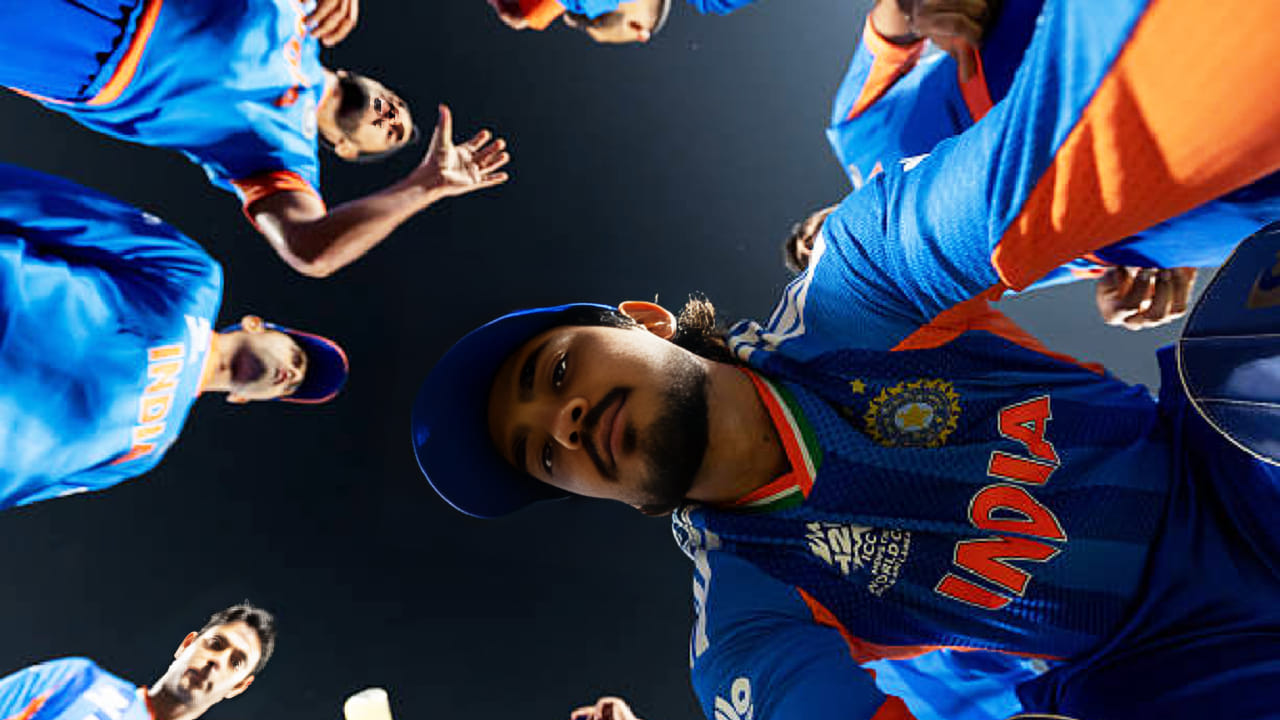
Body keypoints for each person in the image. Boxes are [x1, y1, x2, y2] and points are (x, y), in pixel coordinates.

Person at [410, 0, 1280, 717]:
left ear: (646, 320)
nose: (563, 424)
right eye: (541, 456)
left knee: (1223, 335)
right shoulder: (744, 624)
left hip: (1228, 460)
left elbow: (1042, 164)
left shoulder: (854, 287)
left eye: (557, 373)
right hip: (1168, 669)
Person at [797, 0, 1280, 329]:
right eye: (812, 269)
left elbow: (892, 22)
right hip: (1141, 214)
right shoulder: (940, 282)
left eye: (804, 239)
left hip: (1036, 56)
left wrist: (916, 7)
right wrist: (1135, 282)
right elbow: (1063, 253)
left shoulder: (857, 136)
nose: (814, 250)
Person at [1, 0, 510, 278]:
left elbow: (310, 250)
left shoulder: (283, 154)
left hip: (83, 54)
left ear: (347, 150)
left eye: (392, 132)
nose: (391, 114)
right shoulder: (312, 17)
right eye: (396, 104)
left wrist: (425, 185)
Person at [0, 164, 350, 511]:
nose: (292, 373)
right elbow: (54, 207)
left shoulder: (145, 454)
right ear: (255, 324)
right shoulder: (193, 278)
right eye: (297, 357)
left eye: (291, 386)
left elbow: (26, 486)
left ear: (242, 399)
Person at [0, 603, 275, 720]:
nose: (216, 661)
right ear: (186, 645)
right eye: (215, 644)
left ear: (238, 687)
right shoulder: (80, 680)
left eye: (236, 662)